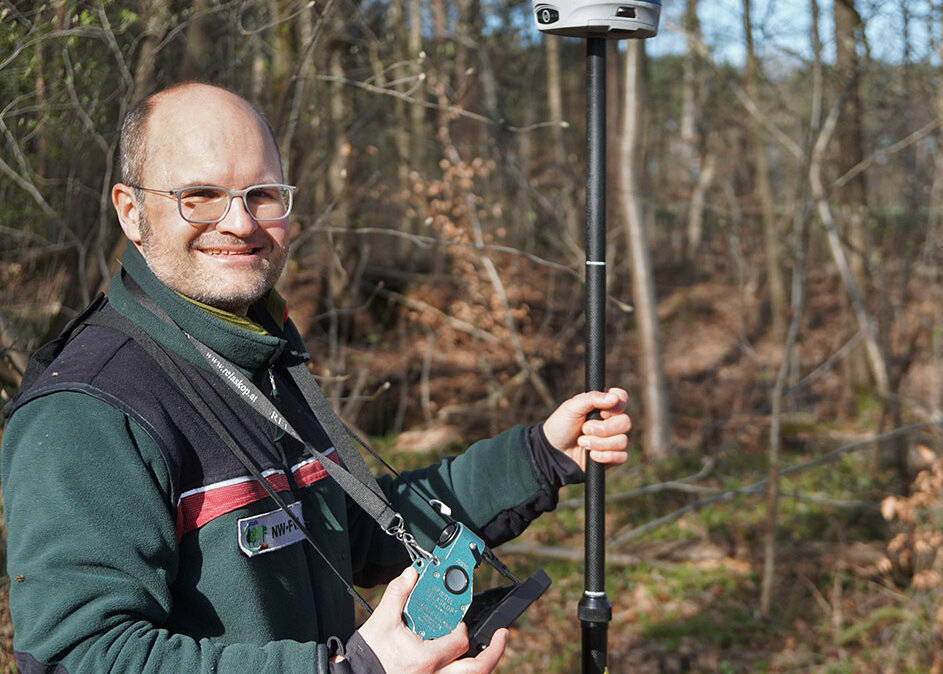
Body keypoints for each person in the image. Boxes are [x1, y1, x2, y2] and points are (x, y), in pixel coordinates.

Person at [1, 82, 632, 674]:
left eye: (263, 194)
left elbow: (352, 528)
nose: (241, 223)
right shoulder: (89, 411)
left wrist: (540, 457)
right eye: (199, 196)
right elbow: (79, 654)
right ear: (131, 212)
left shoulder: (260, 354)